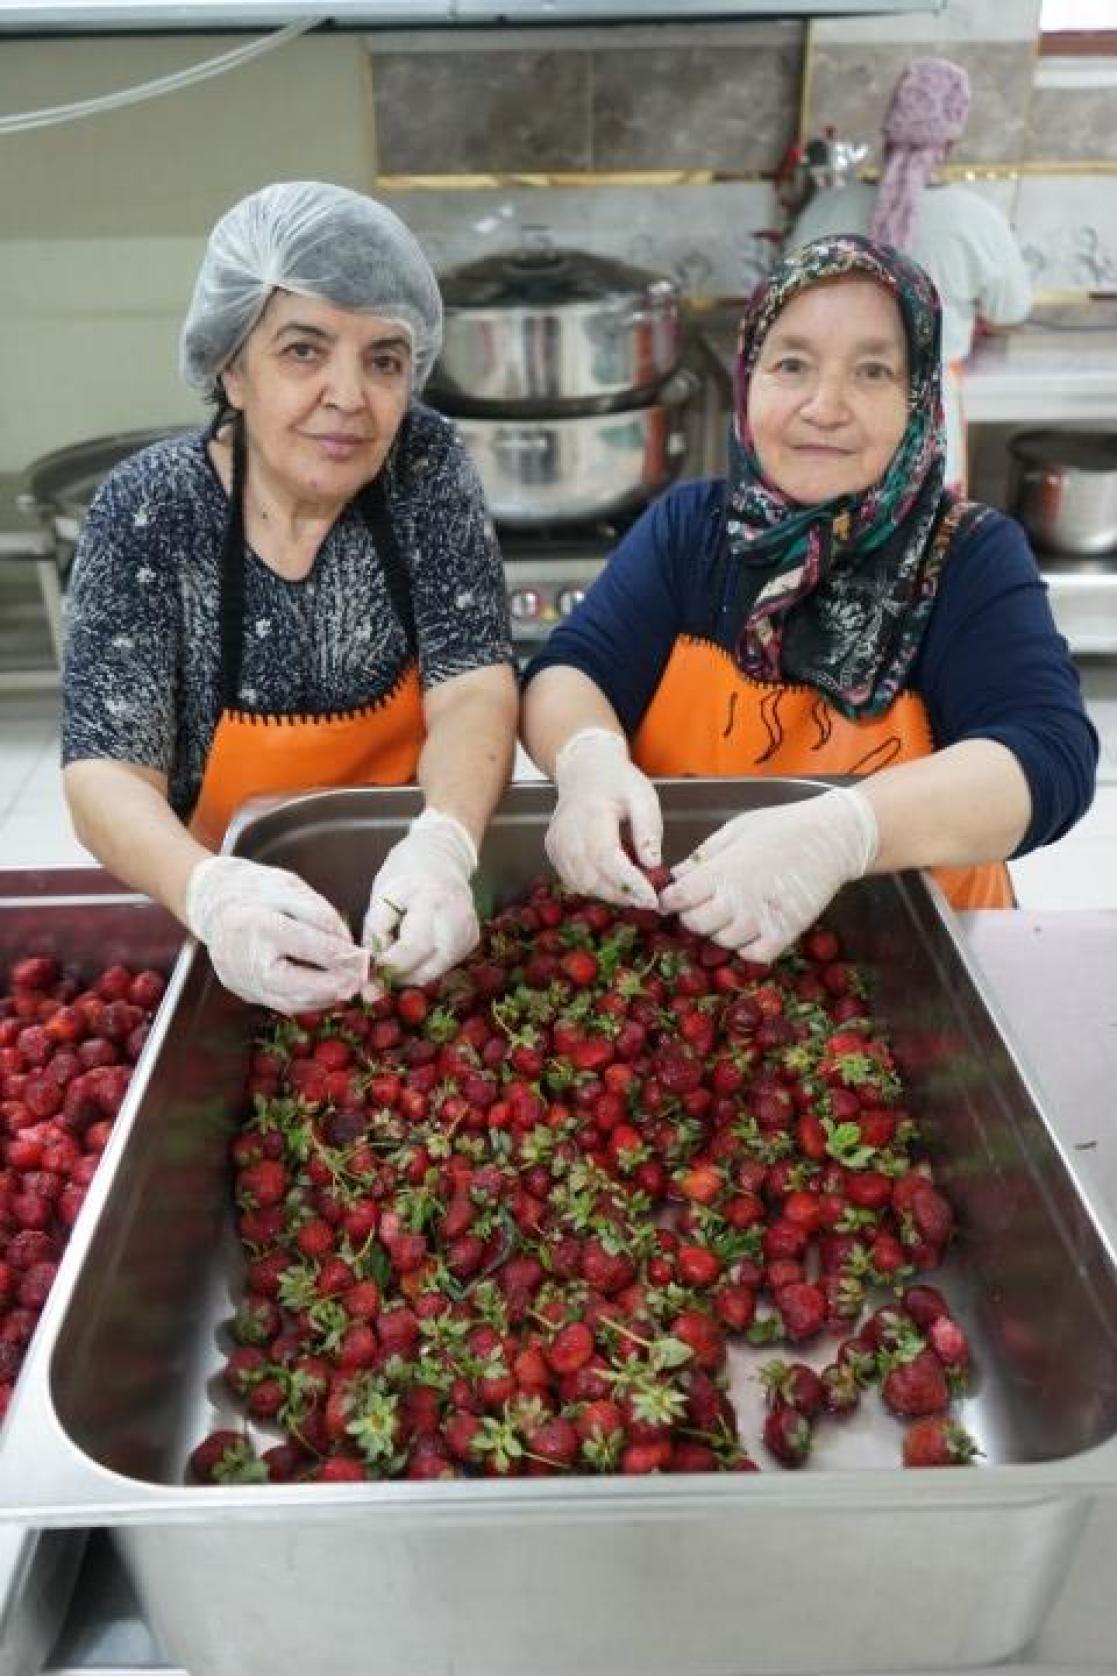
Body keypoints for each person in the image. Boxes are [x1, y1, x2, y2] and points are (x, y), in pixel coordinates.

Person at [521, 235, 1097, 963]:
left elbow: (1048, 756)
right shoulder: (690, 530)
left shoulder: (968, 556)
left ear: (918, 397)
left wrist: (844, 831)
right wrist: (587, 760)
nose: (824, 407)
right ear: (748, 377)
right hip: (690, 938)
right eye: (791, 363)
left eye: (871, 371)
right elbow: (570, 670)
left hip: (918, 961)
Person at [63, 182, 517, 1015]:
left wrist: (446, 842)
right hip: (230, 915)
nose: (348, 396)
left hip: (409, 911)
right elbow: (105, 770)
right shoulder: (151, 507)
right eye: (304, 350)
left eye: (383, 359)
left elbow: (474, 684)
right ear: (231, 367)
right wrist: (211, 894)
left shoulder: (424, 465)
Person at [789, 57, 1032, 490]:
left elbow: (787, 297)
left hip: (826, 411)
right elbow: (1009, 310)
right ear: (952, 141)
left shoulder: (828, 209)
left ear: (887, 131)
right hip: (926, 421)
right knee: (920, 549)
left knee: (826, 542)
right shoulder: (977, 220)